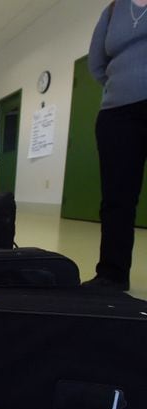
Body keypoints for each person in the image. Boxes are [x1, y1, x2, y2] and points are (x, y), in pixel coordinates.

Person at [85, 0, 147, 291]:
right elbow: (96, 65)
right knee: (117, 200)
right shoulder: (111, 11)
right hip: (118, 114)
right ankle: (112, 275)